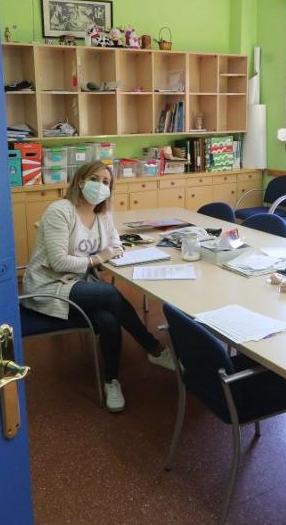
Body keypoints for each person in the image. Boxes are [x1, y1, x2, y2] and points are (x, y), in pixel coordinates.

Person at [21, 160, 175, 413]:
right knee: (110, 294)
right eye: (94, 179)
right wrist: (98, 258)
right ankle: (154, 348)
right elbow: (59, 262)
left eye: (106, 182)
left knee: (108, 319)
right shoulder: (60, 210)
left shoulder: (103, 213)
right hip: (49, 286)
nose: (100, 186)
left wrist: (110, 252)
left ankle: (111, 380)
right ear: (80, 181)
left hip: (82, 284)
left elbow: (115, 245)